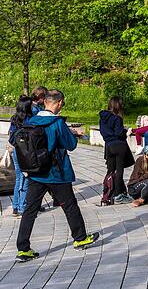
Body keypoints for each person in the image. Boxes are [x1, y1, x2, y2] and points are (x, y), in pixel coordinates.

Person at [16, 90, 99, 263]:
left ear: (45, 102)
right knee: (70, 206)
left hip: (36, 173)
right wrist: (72, 133)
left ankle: (23, 249)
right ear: (59, 103)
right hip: (56, 172)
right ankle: (80, 238)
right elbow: (71, 145)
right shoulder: (57, 123)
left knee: (30, 210)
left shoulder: (31, 120)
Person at [99, 97, 135, 204]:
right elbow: (119, 133)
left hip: (109, 146)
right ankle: (118, 195)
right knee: (119, 171)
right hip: (119, 146)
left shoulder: (103, 118)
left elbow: (104, 132)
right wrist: (126, 132)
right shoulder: (117, 118)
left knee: (110, 171)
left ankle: (108, 192)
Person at [8, 96, 33, 217]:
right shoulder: (29, 119)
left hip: (16, 151)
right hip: (26, 153)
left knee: (19, 178)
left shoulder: (14, 119)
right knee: (26, 178)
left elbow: (11, 138)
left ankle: (15, 206)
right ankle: (22, 207)